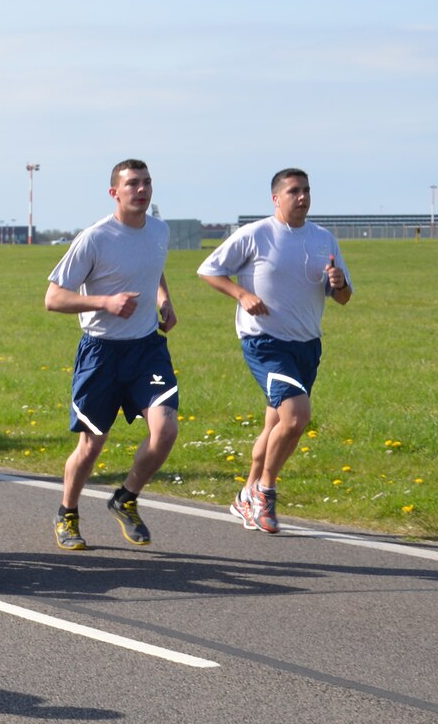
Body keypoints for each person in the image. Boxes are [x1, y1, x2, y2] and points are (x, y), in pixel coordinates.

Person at [197, 168, 353, 534]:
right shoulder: (255, 234)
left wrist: (340, 283)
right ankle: (266, 492)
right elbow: (208, 270)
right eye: (294, 191)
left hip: (307, 344)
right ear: (276, 198)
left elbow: (344, 298)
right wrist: (242, 294)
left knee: (275, 423)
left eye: (307, 191)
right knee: (296, 418)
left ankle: (245, 494)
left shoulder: (323, 239)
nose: (302, 197)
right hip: (265, 341)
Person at [44, 159, 179, 549]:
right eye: (133, 184)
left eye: (147, 183)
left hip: (147, 349)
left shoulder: (159, 230)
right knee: (92, 446)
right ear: (114, 192)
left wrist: (164, 298)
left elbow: (153, 267)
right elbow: (53, 297)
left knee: (166, 429)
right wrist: (104, 302)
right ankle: (67, 513)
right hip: (101, 353)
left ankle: (126, 497)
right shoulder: (94, 238)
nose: (142, 190)